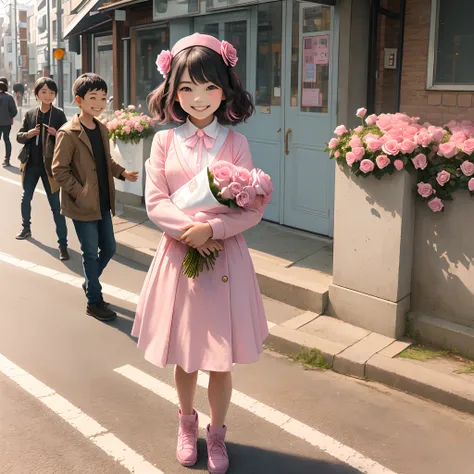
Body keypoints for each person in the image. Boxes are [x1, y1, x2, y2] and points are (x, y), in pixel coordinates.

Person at [131, 34, 268, 474]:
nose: (198, 97)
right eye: (186, 88)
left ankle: (218, 433)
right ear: (173, 92)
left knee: (221, 359)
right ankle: (186, 424)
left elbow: (253, 207)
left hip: (225, 259)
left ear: (225, 89)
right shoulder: (164, 143)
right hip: (180, 258)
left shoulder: (236, 143)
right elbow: (155, 201)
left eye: (209, 87)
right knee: (187, 355)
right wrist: (192, 233)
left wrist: (215, 228)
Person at [52, 73, 139, 322]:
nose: (100, 103)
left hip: (102, 202)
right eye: (93, 98)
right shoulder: (68, 133)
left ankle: (90, 282)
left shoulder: (101, 128)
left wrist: (122, 173)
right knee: (90, 253)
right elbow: (59, 170)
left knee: (109, 247)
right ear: (79, 100)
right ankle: (94, 301)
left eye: (103, 98)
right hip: (81, 204)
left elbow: (105, 161)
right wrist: (79, 192)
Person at [15, 77, 69, 260]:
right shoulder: (30, 114)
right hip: (31, 164)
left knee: (56, 206)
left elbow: (69, 140)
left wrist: (58, 133)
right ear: (37, 93)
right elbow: (19, 136)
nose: (48, 96)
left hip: (50, 167)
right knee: (25, 197)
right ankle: (26, 228)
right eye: (44, 92)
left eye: (51, 92)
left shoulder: (59, 114)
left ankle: (63, 244)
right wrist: (29, 134)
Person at [0, 80, 17, 167]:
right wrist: (8, 116)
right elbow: (14, 111)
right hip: (7, 123)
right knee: (7, 140)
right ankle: (7, 159)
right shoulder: (9, 97)